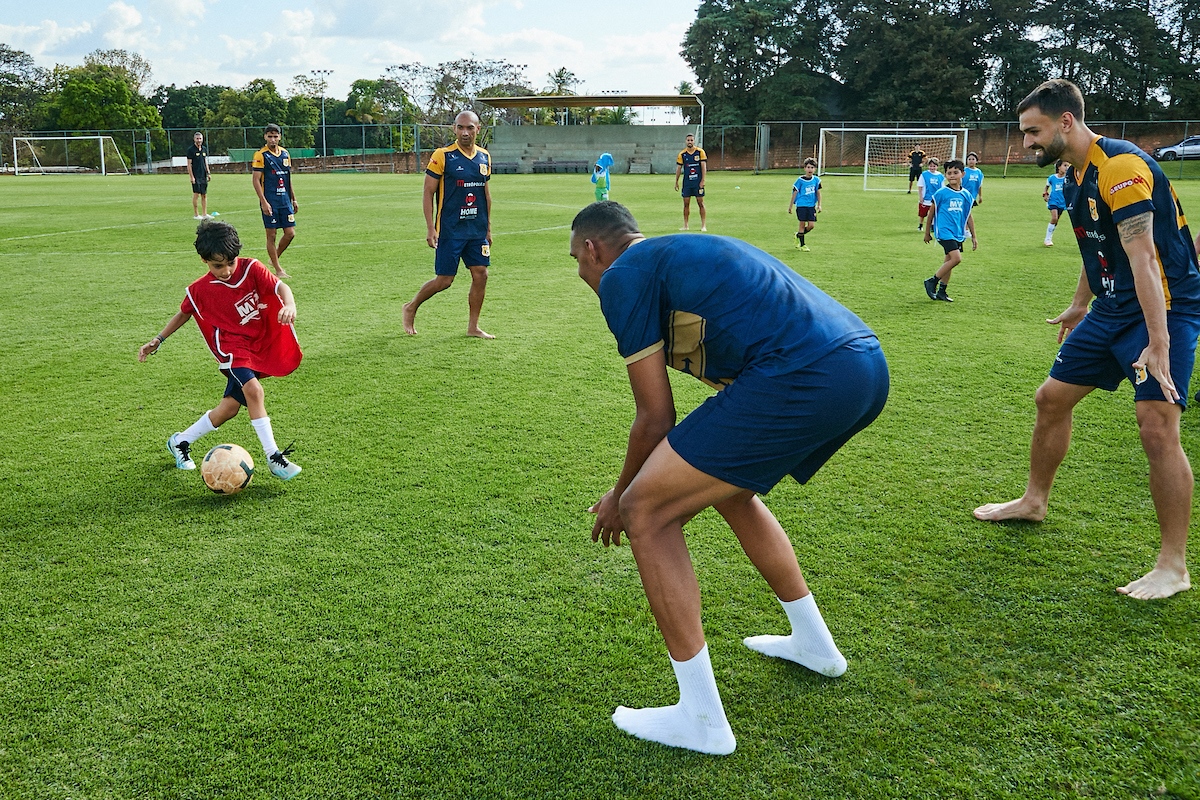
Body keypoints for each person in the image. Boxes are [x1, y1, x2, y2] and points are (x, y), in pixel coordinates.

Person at [570, 201, 889, 755]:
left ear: (595, 249)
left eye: (577, 259)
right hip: (861, 366)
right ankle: (814, 644)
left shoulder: (624, 275)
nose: (580, 273)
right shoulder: (675, 258)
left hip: (806, 372)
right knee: (730, 489)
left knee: (648, 510)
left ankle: (701, 720)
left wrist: (620, 495)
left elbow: (654, 416)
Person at [974, 78, 1200, 600]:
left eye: (1033, 132)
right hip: (1113, 307)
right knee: (1051, 398)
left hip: (1164, 308)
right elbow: (1097, 247)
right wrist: (1082, 303)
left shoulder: (1120, 168)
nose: (1026, 142)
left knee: (1157, 427)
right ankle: (1033, 501)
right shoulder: (1076, 175)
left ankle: (1173, 566)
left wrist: (1159, 341)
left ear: (1066, 122)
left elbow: (1143, 257)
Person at [138, 220, 303, 481]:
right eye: (218, 266)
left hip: (255, 345)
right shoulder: (200, 290)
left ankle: (180, 441)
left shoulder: (252, 268)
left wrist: (290, 304)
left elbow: (280, 287)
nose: (226, 271)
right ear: (204, 261)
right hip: (231, 349)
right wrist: (158, 339)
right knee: (254, 390)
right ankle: (273, 457)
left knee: (228, 409)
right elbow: (184, 313)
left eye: (230, 263)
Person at [402, 110, 494, 339]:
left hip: (476, 228)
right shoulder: (443, 155)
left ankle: (473, 327)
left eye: (470, 128)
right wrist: (430, 228)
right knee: (444, 281)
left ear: (478, 129)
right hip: (450, 229)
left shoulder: (484, 157)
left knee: (481, 274)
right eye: (460, 127)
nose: (465, 132)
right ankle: (411, 306)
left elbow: (486, 194)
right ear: (454, 129)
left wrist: (488, 227)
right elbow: (428, 192)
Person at [922, 159, 977, 302]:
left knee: (949, 261)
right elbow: (931, 213)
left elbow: (968, 216)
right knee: (956, 258)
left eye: (955, 172)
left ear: (962, 174)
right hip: (944, 232)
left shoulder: (966, 195)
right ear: (945, 175)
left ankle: (942, 291)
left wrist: (974, 236)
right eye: (949, 173)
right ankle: (932, 281)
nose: (952, 175)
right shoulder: (941, 193)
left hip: (957, 233)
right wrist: (927, 232)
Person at [251, 123, 298, 279]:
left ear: (280, 137)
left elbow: (287, 178)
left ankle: (273, 259)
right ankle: (278, 269)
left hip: (284, 200)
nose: (273, 139)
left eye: (275, 136)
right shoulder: (260, 155)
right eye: (270, 136)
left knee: (290, 233)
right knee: (271, 235)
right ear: (265, 137)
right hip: (269, 200)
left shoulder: (285, 154)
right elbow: (256, 180)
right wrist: (263, 202)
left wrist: (293, 198)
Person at [675, 133, 707, 232]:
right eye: (688, 140)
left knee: (700, 203)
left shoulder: (700, 152)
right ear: (686, 141)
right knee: (686, 204)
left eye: (691, 140)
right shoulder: (682, 154)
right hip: (687, 183)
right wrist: (676, 181)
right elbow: (679, 168)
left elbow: (703, 167)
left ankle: (703, 225)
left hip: (697, 182)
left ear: (694, 141)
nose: (690, 142)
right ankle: (685, 225)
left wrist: (703, 180)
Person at [788, 157, 821, 251]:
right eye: (808, 167)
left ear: (815, 169)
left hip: (811, 206)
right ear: (805, 168)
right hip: (801, 205)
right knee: (802, 224)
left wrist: (819, 204)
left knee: (811, 225)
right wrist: (790, 206)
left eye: (812, 167)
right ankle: (802, 245)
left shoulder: (816, 180)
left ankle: (798, 235)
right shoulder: (800, 180)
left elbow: (818, 192)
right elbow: (794, 193)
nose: (810, 169)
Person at [1042, 159, 1069, 246]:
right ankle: (1047, 239)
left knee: (1056, 221)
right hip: (1053, 200)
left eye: (1068, 166)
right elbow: (1046, 187)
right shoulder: (1052, 178)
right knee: (1054, 218)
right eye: (1065, 165)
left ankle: (1050, 236)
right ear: (1059, 167)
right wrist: (1045, 194)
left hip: (1062, 202)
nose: (1067, 168)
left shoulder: (1067, 178)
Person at [186, 131, 211, 220]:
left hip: (203, 175)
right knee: (196, 194)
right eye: (197, 138)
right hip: (196, 175)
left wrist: (208, 173)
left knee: (204, 194)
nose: (199, 140)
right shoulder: (191, 150)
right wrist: (191, 176)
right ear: (194, 139)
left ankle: (204, 213)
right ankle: (196, 214)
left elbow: (205, 161)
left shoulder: (204, 149)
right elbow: (189, 164)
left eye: (200, 138)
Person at [915, 158, 944, 230]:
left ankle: (932, 226)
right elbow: (920, 186)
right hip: (926, 198)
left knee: (934, 213)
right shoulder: (924, 174)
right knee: (922, 214)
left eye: (934, 166)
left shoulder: (940, 176)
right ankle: (920, 225)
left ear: (937, 166)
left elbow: (942, 188)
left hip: (935, 199)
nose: (932, 168)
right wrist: (921, 197)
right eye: (931, 166)